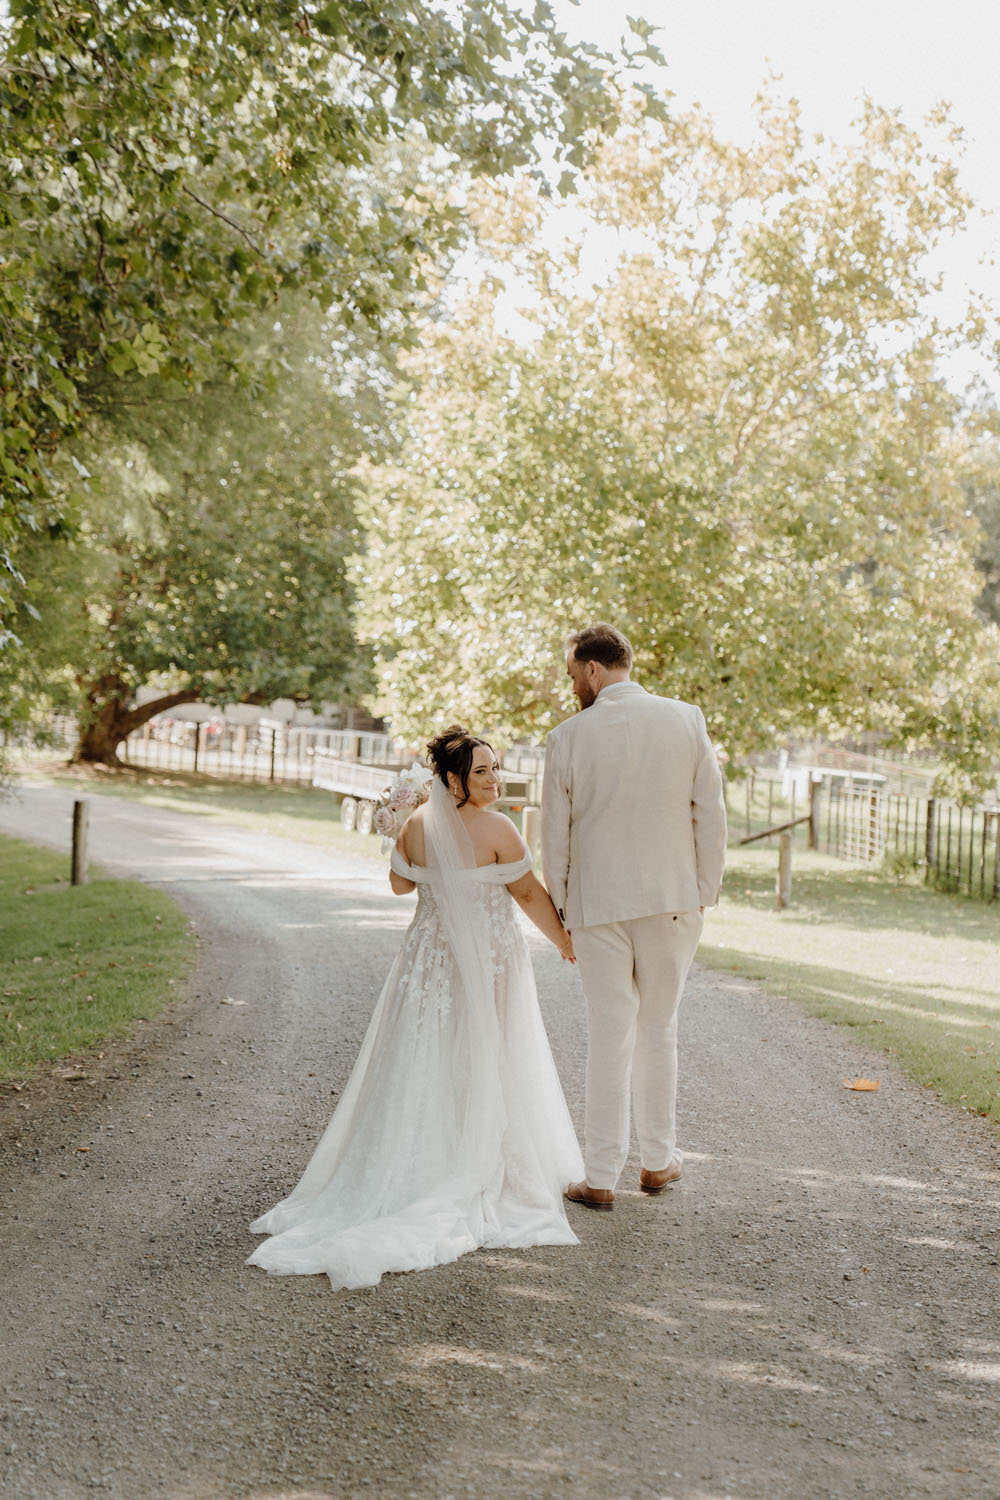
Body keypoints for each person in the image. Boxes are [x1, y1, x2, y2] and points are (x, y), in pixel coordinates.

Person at [248, 725, 584, 1289]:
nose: (495, 779)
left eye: (495, 768)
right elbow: (527, 892)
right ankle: (478, 1164)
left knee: (423, 1058)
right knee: (489, 1055)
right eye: (482, 771)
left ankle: (412, 1162)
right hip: (488, 961)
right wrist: (565, 941)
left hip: (425, 963)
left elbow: (401, 888)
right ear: (452, 778)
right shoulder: (499, 828)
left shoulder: (415, 825)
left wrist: (396, 830)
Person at [541, 624, 727, 1211]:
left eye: (574, 675)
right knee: (659, 1028)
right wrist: (702, 893)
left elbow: (554, 838)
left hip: (597, 908)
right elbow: (711, 815)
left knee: (608, 1035)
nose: (574, 686)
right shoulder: (686, 719)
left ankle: (599, 1177)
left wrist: (565, 911)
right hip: (672, 900)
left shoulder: (566, 737)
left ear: (593, 670)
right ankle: (656, 1163)